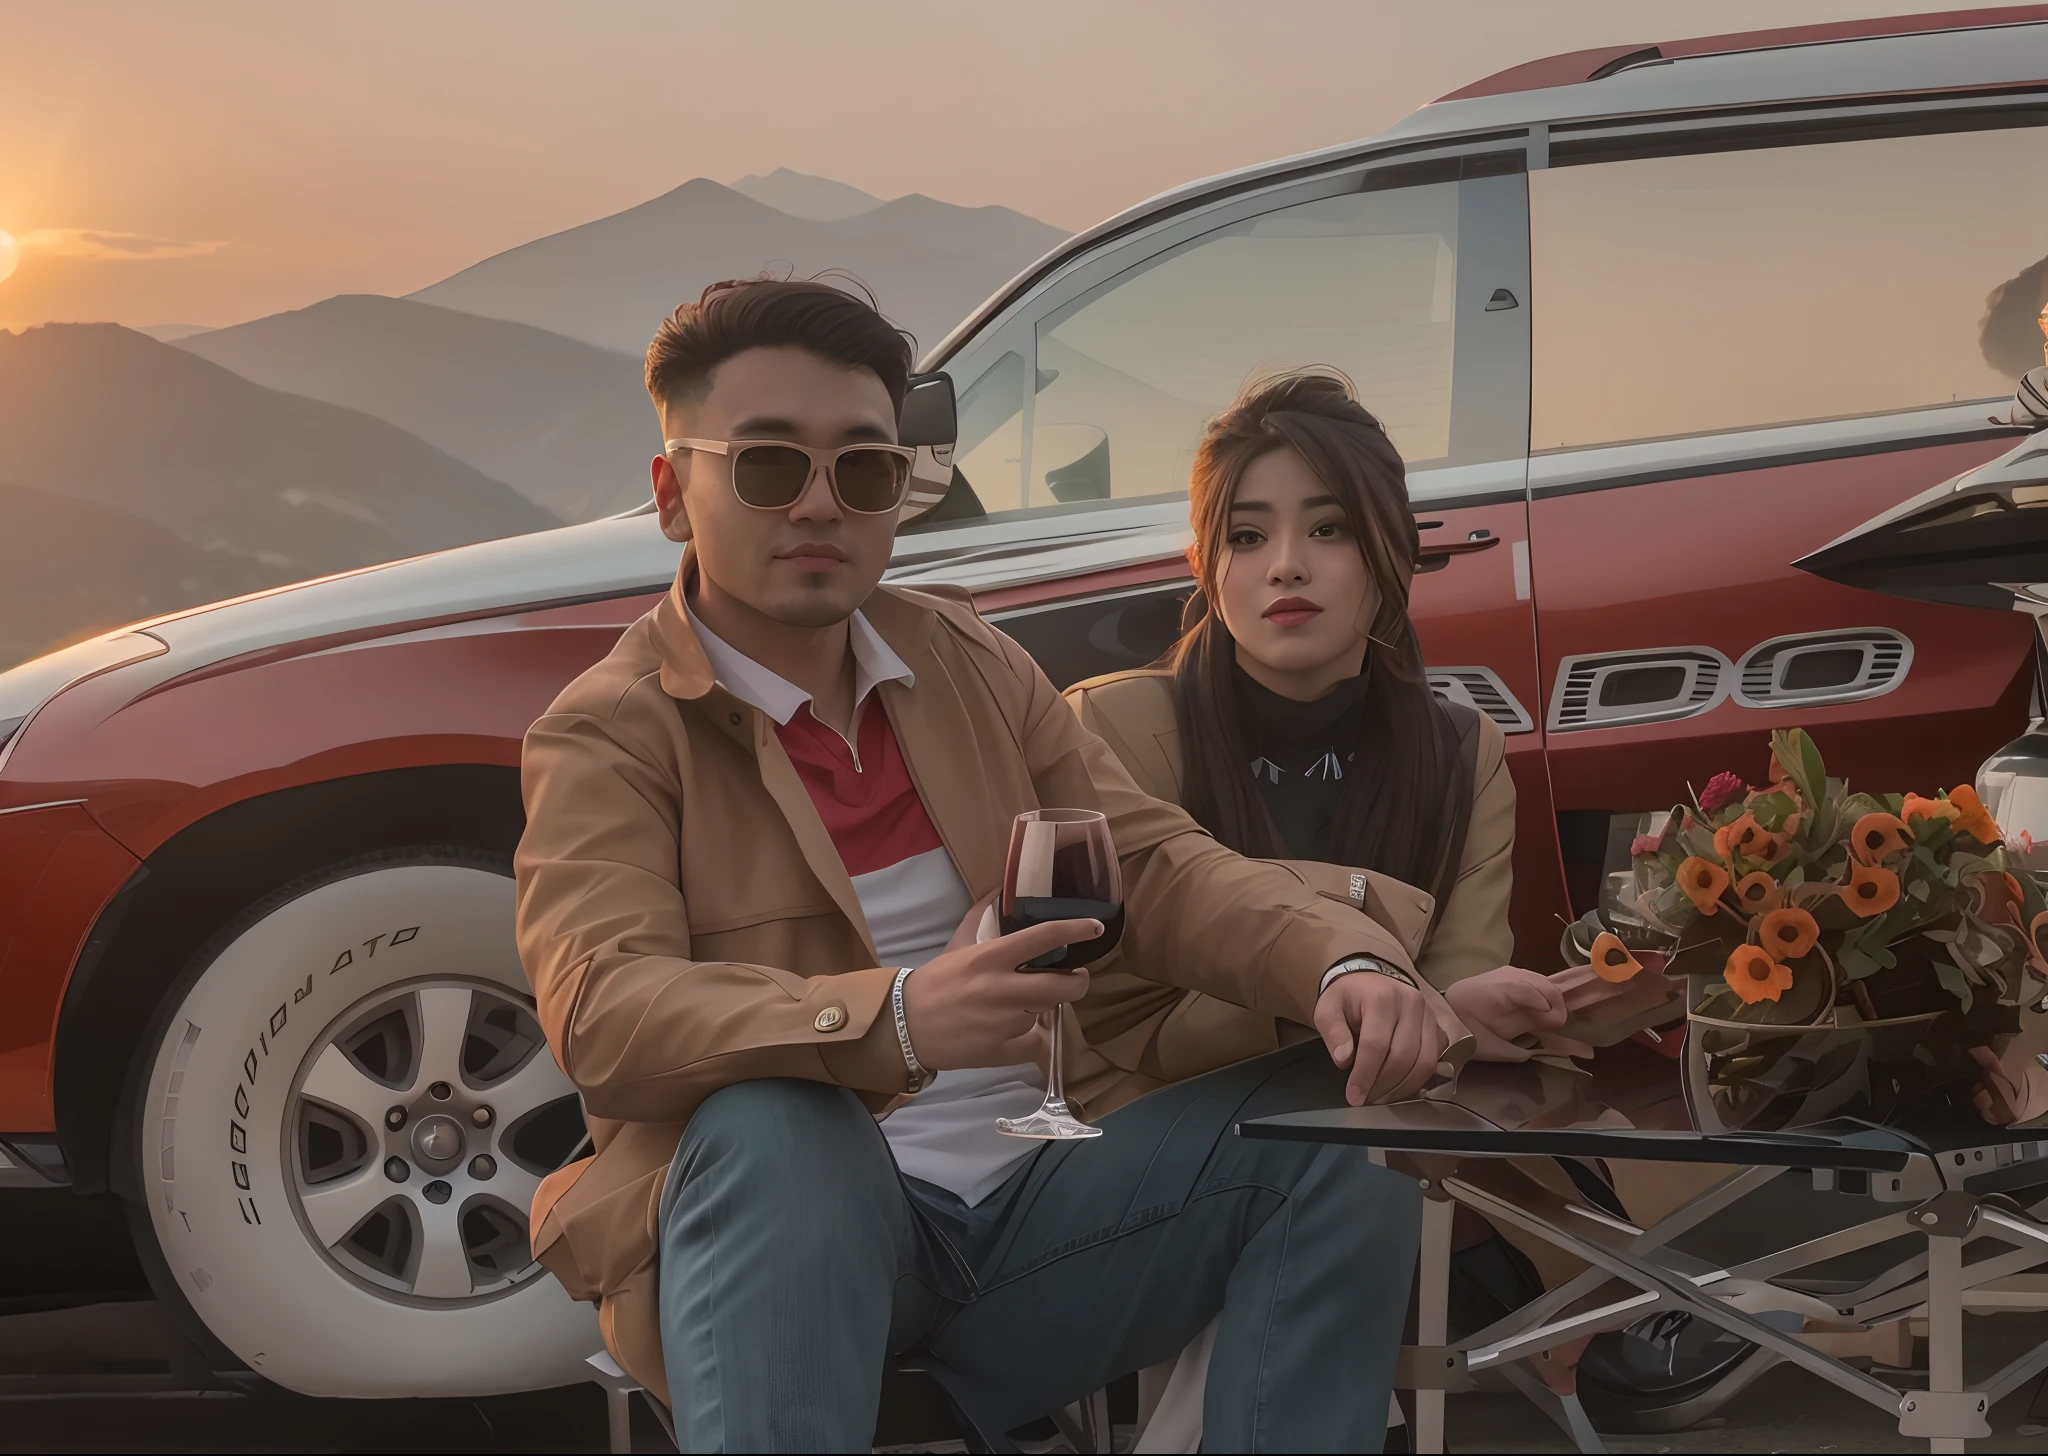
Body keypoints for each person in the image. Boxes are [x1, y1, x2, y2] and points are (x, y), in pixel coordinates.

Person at [513, 280, 1473, 1452]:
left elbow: (1151, 867)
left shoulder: (965, 662)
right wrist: (903, 1019)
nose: (820, 505)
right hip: (797, 1253)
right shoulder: (607, 731)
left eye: (862, 470)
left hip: (1041, 1219)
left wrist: (1341, 962)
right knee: (780, 1123)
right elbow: (603, 1011)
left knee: (1339, 1125)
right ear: (674, 494)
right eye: (769, 467)